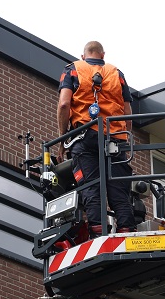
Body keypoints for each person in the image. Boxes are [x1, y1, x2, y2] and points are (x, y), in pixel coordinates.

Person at [56, 41, 135, 235]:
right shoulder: (117, 74)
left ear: (83, 56)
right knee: (119, 189)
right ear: (103, 54)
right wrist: (125, 140)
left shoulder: (73, 69)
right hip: (115, 138)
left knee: (91, 186)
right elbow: (127, 112)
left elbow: (64, 104)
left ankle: (99, 232)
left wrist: (62, 140)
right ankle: (126, 229)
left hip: (85, 137)